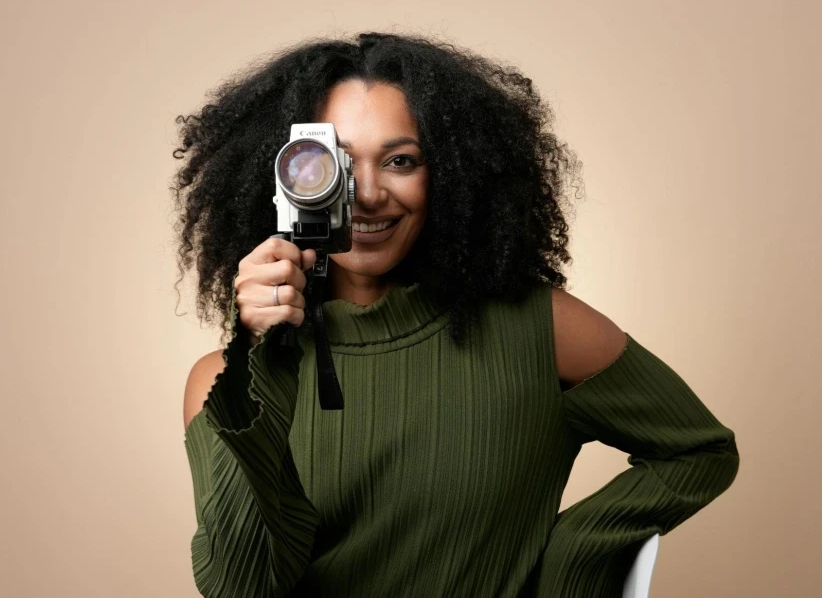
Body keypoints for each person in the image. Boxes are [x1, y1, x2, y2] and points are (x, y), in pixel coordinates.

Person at [171, 31, 740, 598]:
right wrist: (258, 354)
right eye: (333, 164)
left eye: (400, 160)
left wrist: (575, 560)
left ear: (453, 171)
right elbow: (238, 586)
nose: (366, 194)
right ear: (281, 183)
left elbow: (697, 449)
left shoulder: (540, 328)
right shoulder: (220, 383)